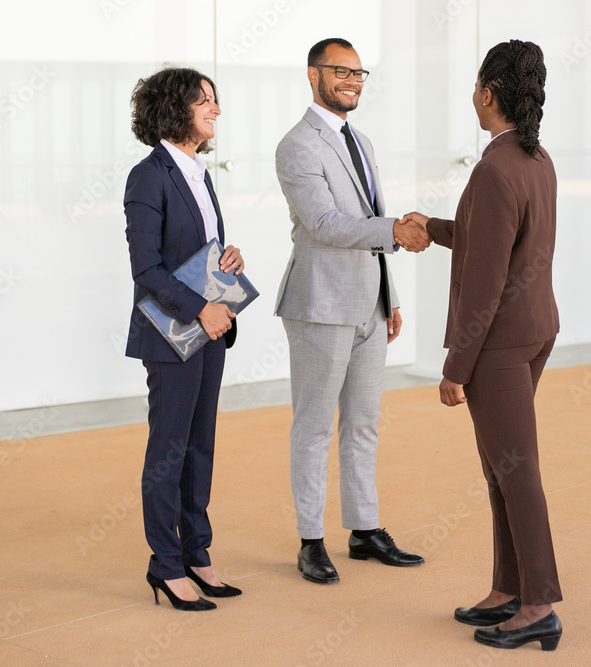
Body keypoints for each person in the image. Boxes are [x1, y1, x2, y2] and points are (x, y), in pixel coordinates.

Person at [402, 40, 563, 650]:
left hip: (497, 347)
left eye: (476, 85)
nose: (472, 95)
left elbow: (486, 279)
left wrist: (455, 366)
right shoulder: (535, 158)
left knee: (516, 473)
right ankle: (508, 589)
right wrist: (433, 228)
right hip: (534, 331)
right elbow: (495, 240)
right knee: (503, 467)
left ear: (489, 93)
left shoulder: (494, 168)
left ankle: (540, 604)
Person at [274, 38, 430, 584]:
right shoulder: (297, 145)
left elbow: (369, 220)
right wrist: (395, 231)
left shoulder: (359, 139)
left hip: (370, 305)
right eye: (340, 71)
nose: (352, 80)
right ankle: (311, 541)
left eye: (358, 72)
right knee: (314, 427)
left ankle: (364, 530)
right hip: (320, 304)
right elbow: (323, 224)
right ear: (313, 75)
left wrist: (391, 299)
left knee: (364, 424)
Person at [124, 66, 245, 611]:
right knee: (169, 451)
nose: (215, 109)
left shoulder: (199, 171)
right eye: (204, 102)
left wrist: (228, 258)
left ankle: (197, 554)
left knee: (201, 447)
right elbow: (146, 268)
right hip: (173, 332)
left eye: (215, 101)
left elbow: (194, 250)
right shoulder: (148, 176)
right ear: (175, 110)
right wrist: (203, 307)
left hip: (210, 331)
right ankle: (164, 564)